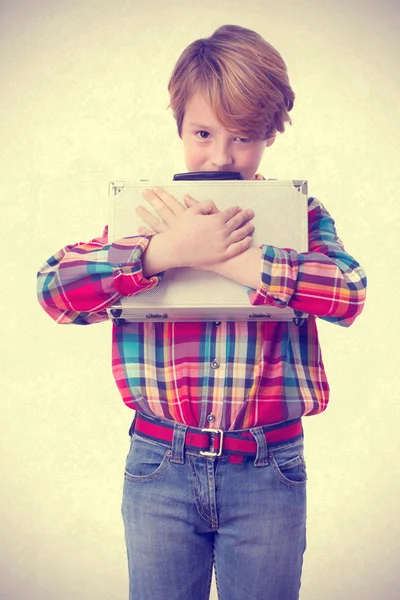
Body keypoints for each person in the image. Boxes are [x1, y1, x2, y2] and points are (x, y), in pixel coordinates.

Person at [37, 24, 367, 600]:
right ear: (179, 127)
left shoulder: (299, 214)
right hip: (159, 465)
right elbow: (54, 292)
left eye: (243, 137)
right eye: (203, 133)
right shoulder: (149, 215)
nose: (220, 156)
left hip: (269, 469)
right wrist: (164, 251)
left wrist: (243, 263)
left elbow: (349, 293)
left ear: (270, 135)